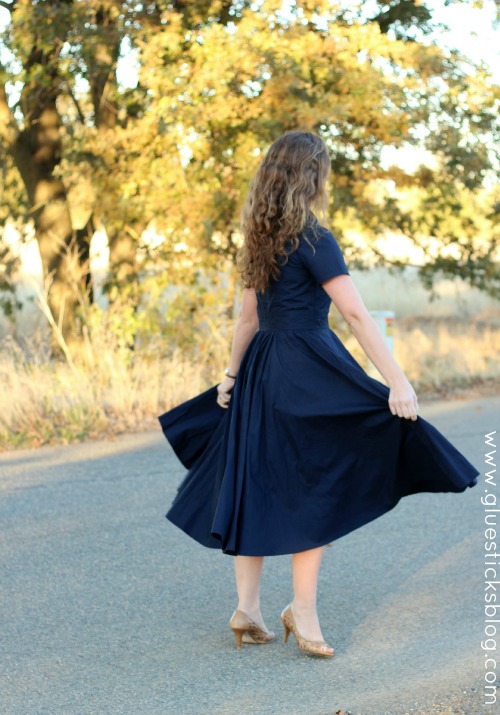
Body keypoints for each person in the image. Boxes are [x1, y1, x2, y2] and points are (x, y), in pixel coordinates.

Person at [158, 130, 479, 658]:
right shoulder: (314, 239)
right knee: (314, 481)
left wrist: (232, 376)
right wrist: (397, 380)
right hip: (306, 369)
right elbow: (353, 314)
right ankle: (300, 613)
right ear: (313, 176)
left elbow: (247, 318)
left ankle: (248, 609)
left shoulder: (257, 239)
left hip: (262, 369)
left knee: (254, 481)